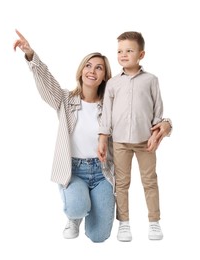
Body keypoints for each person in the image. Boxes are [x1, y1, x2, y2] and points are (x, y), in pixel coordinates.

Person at [13, 29, 116, 243]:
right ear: (81, 71)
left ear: (105, 76)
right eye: (88, 65)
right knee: (77, 208)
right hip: (74, 170)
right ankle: (75, 214)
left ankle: (85, 209)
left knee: (99, 237)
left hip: (102, 172)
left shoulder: (111, 106)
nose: (92, 71)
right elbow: (45, 80)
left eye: (99, 68)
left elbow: (136, 117)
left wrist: (165, 123)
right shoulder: (65, 100)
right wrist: (31, 55)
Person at [98, 31, 172, 242]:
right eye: (120, 51)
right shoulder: (112, 83)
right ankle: (124, 223)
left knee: (150, 181)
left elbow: (158, 109)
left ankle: (154, 221)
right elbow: (107, 114)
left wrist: (157, 132)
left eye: (129, 51)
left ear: (141, 54)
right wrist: (103, 137)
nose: (123, 55)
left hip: (145, 142)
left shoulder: (151, 80)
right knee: (121, 183)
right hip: (119, 142)